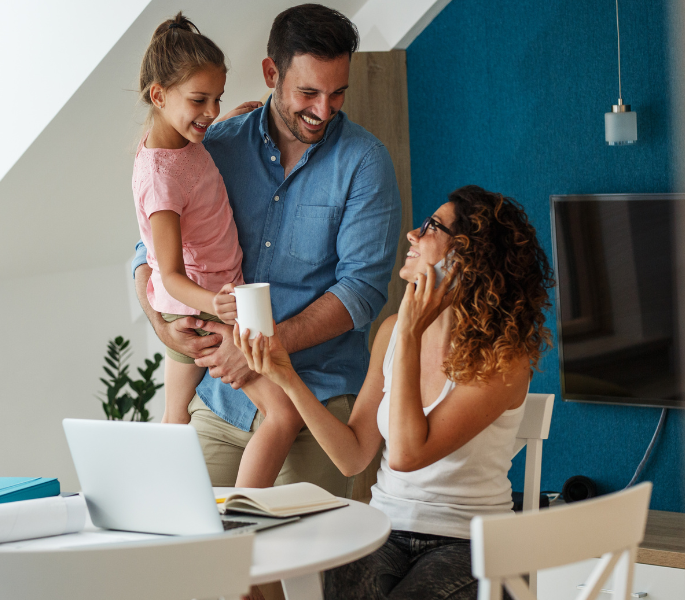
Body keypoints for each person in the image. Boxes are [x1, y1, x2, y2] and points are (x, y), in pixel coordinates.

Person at [132, 3, 401, 496]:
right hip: (222, 398)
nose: (324, 110)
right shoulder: (214, 144)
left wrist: (262, 348)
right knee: (180, 526)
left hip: (315, 396)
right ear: (271, 73)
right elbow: (148, 250)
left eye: (337, 93)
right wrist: (163, 327)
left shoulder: (365, 163)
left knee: (286, 541)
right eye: (308, 92)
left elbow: (362, 292)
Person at [235, 185, 554, 600]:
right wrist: (286, 376)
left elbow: (406, 455)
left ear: (468, 256)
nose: (413, 234)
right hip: (384, 530)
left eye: (432, 227)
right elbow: (353, 457)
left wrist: (410, 331)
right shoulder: (391, 333)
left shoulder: (502, 359)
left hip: (471, 543)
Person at [131, 13, 305, 488]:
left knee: (175, 419)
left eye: (217, 99)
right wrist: (216, 305)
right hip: (199, 305)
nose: (210, 110)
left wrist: (220, 123)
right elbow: (167, 273)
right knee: (282, 415)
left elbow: (189, 167)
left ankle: (163, 505)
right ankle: (242, 516)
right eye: (199, 100)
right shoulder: (160, 181)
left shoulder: (178, 142)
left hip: (204, 298)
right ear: (159, 96)